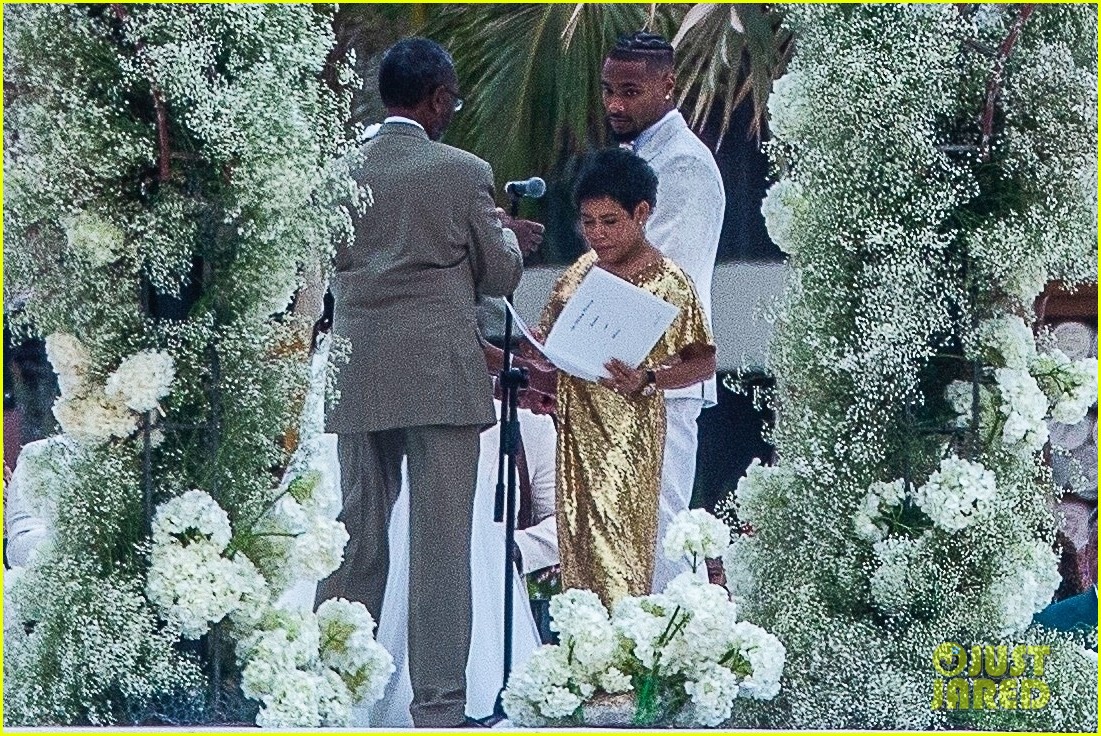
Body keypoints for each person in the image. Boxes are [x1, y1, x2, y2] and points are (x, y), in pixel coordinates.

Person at [314, 37, 542, 729]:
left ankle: (327, 696)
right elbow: (496, 276)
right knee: (440, 549)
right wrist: (509, 241)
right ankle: (438, 711)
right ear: (438, 97)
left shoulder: (338, 169)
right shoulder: (461, 170)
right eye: (452, 101)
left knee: (355, 542)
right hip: (438, 378)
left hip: (357, 372)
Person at [538, 148, 716, 607]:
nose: (597, 234)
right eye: (588, 221)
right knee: (578, 553)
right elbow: (544, 342)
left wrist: (649, 379)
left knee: (625, 556)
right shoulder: (580, 271)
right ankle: (585, 662)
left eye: (610, 222)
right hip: (576, 435)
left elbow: (702, 361)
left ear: (642, 213)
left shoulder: (670, 281)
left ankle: (627, 666)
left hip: (631, 441)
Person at [601, 32, 726, 592]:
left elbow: (662, 281)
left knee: (661, 532)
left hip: (664, 377)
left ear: (668, 85)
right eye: (607, 91)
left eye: (629, 91)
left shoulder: (685, 166)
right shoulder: (633, 160)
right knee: (620, 532)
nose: (615, 105)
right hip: (616, 374)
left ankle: (667, 670)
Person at [369, 399, 558, 726]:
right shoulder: (385, 418)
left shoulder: (529, 424)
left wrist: (509, 549)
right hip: (388, 606)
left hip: (488, 611)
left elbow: (564, 524)